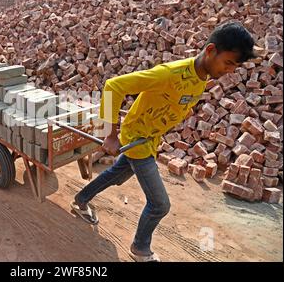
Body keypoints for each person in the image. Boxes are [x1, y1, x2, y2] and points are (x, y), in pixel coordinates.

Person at [70, 21, 255, 262]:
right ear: (210, 50)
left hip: (149, 139)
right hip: (137, 139)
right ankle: (140, 249)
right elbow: (113, 86)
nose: (230, 71)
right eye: (228, 63)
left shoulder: (201, 76)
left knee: (118, 173)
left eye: (235, 66)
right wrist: (111, 134)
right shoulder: (170, 73)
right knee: (159, 204)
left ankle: (80, 200)